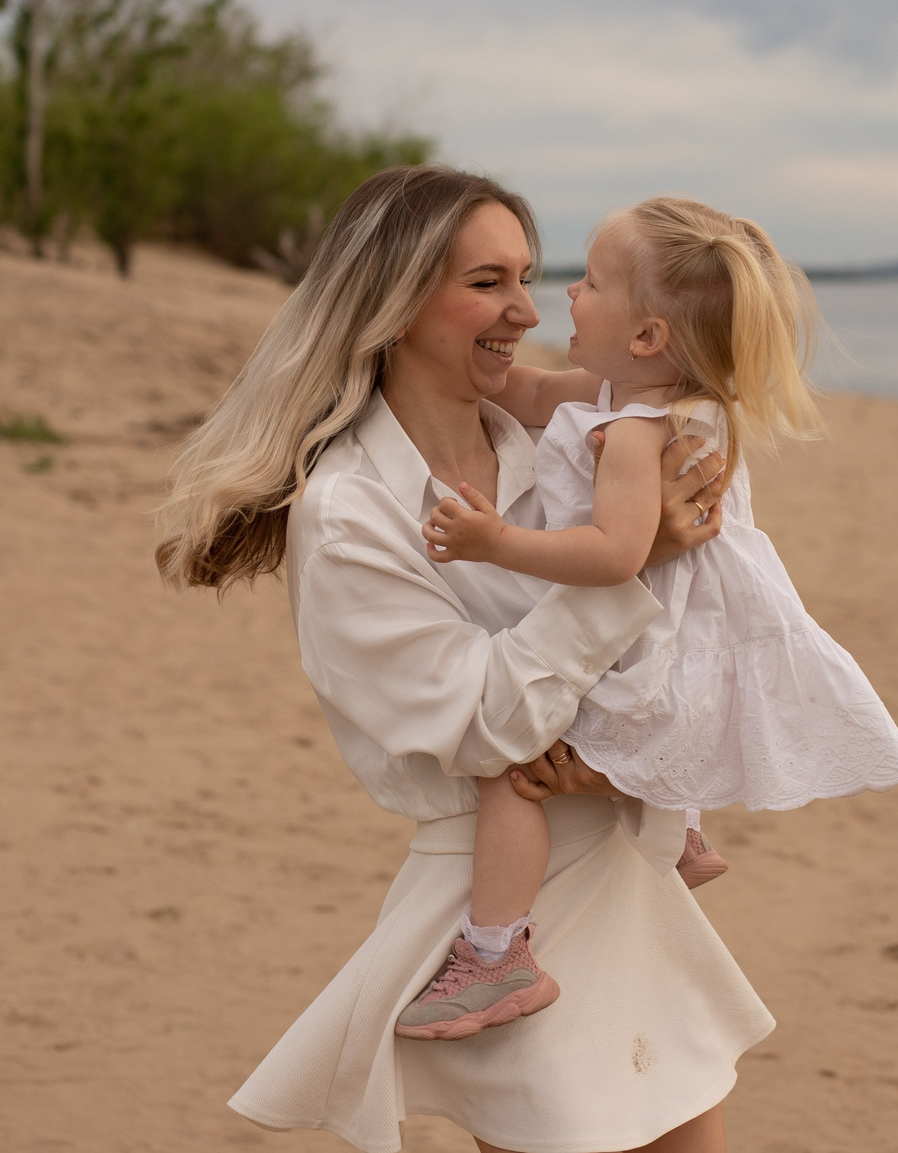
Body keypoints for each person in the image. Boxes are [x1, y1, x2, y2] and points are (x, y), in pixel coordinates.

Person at [155, 165, 771, 1153]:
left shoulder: (560, 435)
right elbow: (487, 724)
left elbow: (690, 629)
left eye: (527, 277)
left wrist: (626, 752)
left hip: (625, 875)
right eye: (487, 282)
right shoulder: (349, 512)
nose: (526, 310)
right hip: (510, 911)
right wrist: (631, 564)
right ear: (395, 302)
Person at [407, 196, 898, 1040]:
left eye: (591, 282)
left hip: (652, 654)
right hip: (696, 647)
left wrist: (495, 541)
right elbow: (530, 390)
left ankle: (495, 953)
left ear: (646, 335)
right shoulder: (672, 398)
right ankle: (682, 829)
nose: (567, 294)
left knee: (509, 770)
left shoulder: (635, 434)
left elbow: (616, 555)